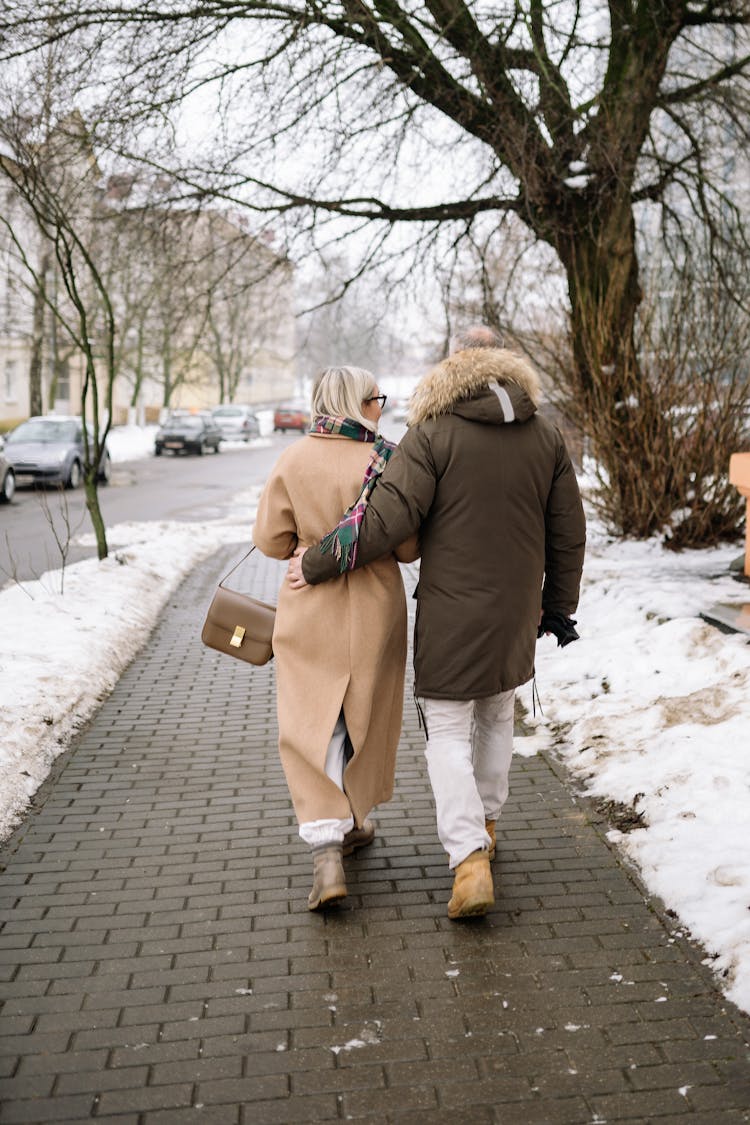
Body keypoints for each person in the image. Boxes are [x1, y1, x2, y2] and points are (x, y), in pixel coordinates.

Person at [288, 327, 586, 919]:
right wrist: (558, 606)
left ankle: (469, 859)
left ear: (453, 370)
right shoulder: (546, 434)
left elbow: (387, 522)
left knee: (448, 732)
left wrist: (316, 563)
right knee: (499, 714)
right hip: (517, 608)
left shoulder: (431, 436)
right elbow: (567, 530)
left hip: (453, 611)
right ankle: (489, 826)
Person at [252, 366, 418, 911]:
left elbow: (270, 540)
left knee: (311, 719)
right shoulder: (390, 459)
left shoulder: (293, 458)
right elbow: (409, 546)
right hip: (375, 606)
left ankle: (327, 848)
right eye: (378, 399)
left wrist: (308, 544)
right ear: (360, 402)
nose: (382, 407)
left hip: (309, 606)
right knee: (364, 714)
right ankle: (355, 819)